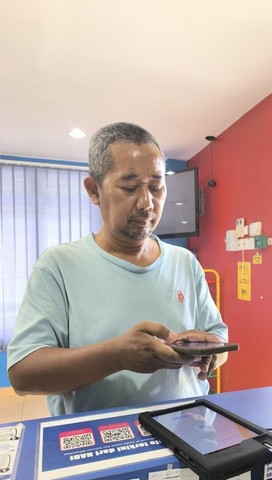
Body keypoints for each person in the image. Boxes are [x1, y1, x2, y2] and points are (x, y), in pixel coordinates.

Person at [7, 122, 228, 416]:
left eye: (156, 187)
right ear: (94, 190)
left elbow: (217, 336)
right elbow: (23, 375)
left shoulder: (185, 262)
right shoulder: (58, 265)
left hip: (188, 427)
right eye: (129, 187)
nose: (147, 203)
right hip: (99, 436)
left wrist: (211, 354)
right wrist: (116, 357)